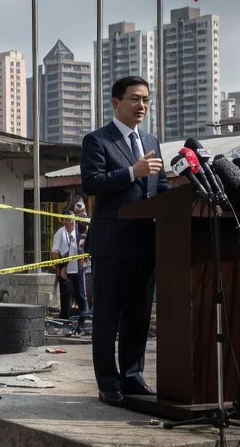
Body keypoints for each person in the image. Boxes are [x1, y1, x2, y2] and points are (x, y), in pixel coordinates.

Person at [80, 76, 171, 407]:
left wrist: (190, 198)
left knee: (139, 315)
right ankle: (108, 381)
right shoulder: (97, 141)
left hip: (145, 243)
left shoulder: (151, 140)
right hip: (111, 243)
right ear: (116, 103)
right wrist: (133, 171)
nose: (142, 105)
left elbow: (158, 187)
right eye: (135, 98)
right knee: (107, 317)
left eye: (146, 99)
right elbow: (92, 184)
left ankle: (132, 377)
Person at [50, 211, 87, 336]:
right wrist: (60, 268)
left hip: (77, 269)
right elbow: (55, 253)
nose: (70, 222)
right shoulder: (60, 233)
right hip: (65, 271)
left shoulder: (79, 233)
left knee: (80, 296)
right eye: (66, 219)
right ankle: (65, 322)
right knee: (66, 298)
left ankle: (83, 321)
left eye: (71, 219)